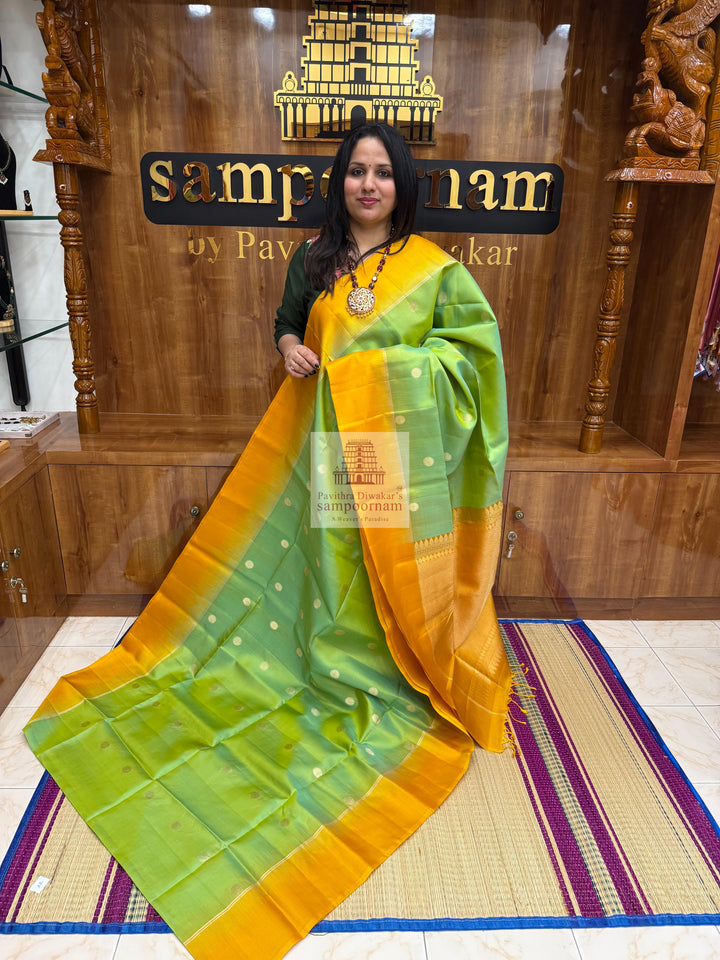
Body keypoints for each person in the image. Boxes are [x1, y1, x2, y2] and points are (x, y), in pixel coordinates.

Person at [24, 123, 514, 960]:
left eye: (382, 173)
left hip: (386, 448)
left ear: (402, 185)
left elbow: (472, 361)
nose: (368, 184)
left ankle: (390, 663)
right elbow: (288, 326)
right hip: (322, 446)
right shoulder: (315, 258)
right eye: (356, 171)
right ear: (341, 182)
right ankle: (327, 654)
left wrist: (384, 373)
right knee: (332, 560)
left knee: (381, 560)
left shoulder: (436, 270)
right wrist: (292, 347)